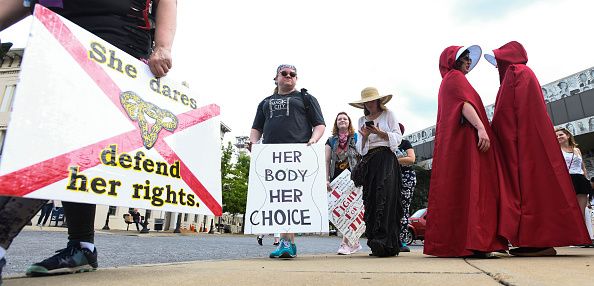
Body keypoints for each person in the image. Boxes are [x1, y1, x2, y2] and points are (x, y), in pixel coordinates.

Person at [0, 0, 177, 280]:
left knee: (60, 140)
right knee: (66, 144)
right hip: (57, 39)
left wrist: (163, 45)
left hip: (115, 42)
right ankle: (82, 245)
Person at [485, 41, 590, 256]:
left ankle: (536, 242)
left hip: (521, 144)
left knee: (526, 189)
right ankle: (537, 241)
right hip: (529, 141)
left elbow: (507, 110)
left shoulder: (515, 72)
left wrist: (492, 131)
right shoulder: (525, 73)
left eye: (498, 62)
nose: (497, 68)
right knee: (537, 188)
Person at [424, 45, 508, 258]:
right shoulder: (455, 78)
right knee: (476, 188)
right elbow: (464, 104)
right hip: (467, 142)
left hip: (458, 143)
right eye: (465, 58)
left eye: (469, 58)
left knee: (462, 189)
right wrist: (481, 128)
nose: (469, 61)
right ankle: (477, 241)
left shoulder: (448, 81)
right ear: (455, 60)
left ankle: (463, 241)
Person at [249, 64, 325, 259]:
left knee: (292, 198)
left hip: (298, 154)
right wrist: (254, 143)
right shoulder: (265, 102)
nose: (289, 76)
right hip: (271, 156)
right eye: (284, 73)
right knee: (279, 197)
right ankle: (287, 242)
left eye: (293, 74)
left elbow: (319, 124)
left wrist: (314, 139)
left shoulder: (306, 98)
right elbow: (256, 128)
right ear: (276, 78)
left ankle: (287, 242)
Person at [349, 87, 402, 257]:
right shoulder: (361, 120)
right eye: (367, 101)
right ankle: (375, 242)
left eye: (373, 100)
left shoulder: (389, 115)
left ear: (378, 101)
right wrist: (364, 136)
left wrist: (380, 133)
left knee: (385, 198)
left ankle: (387, 242)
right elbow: (361, 150)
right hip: (370, 162)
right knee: (371, 200)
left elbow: (398, 138)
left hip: (386, 160)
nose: (370, 104)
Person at [324, 112, 362, 255]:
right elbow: (327, 161)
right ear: (336, 123)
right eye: (339, 119)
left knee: (351, 209)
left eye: (345, 118)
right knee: (339, 211)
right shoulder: (330, 141)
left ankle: (345, 244)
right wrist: (326, 179)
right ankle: (355, 242)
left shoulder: (356, 137)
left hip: (353, 177)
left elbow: (362, 155)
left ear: (349, 122)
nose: (342, 120)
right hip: (337, 179)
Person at [555, 128, 592, 236]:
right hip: (567, 179)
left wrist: (586, 180)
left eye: (560, 135)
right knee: (570, 209)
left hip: (580, 180)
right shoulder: (557, 150)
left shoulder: (577, 150)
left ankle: (583, 236)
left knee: (581, 211)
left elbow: (583, 167)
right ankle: (571, 235)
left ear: (567, 135)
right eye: (556, 136)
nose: (558, 137)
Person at [395, 123, 415, 253]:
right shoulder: (385, 145)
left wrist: (394, 160)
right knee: (390, 208)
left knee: (403, 208)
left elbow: (411, 159)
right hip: (391, 177)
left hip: (406, 177)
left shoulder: (405, 143)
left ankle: (402, 240)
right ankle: (391, 238)